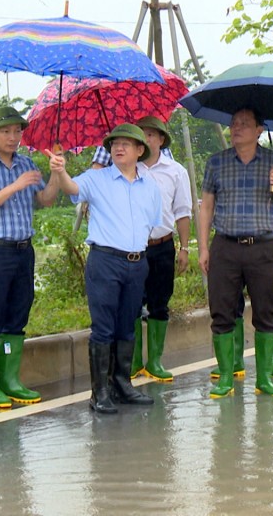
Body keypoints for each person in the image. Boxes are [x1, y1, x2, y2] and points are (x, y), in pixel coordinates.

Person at [51, 123, 161, 414]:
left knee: (128, 323)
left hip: (137, 263)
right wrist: (59, 170)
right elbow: (72, 188)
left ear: (140, 151)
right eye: (114, 144)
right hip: (105, 262)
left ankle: (123, 384)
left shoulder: (150, 186)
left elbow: (152, 221)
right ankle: (99, 392)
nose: (118, 148)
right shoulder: (96, 179)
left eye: (126, 144)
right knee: (103, 327)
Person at [0, 105, 64, 410]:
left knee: (18, 314)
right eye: (6, 131)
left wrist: (57, 172)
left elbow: (45, 200)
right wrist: (15, 186)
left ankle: (10, 379)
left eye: (17, 131)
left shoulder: (26, 163)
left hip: (23, 250)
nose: (13, 137)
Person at [198, 107, 273, 399]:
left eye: (244, 124)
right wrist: (203, 247)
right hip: (225, 247)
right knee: (222, 312)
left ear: (259, 130)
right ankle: (226, 375)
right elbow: (206, 207)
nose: (236, 128)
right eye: (233, 123)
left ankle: (264, 377)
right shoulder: (216, 163)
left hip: (263, 248)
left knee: (265, 312)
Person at [86, 118, 190, 382]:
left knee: (160, 303)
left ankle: (154, 361)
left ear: (160, 140)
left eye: (153, 135)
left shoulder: (175, 171)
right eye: (143, 134)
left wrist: (185, 247)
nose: (148, 138)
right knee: (129, 308)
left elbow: (182, 211)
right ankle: (130, 364)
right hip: (130, 251)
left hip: (163, 244)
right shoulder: (121, 169)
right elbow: (94, 183)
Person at [209, 167, 273, 382]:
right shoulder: (225, 165)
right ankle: (233, 362)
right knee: (229, 304)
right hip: (229, 245)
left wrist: (269, 222)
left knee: (265, 306)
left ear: (258, 132)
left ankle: (269, 363)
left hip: (262, 246)